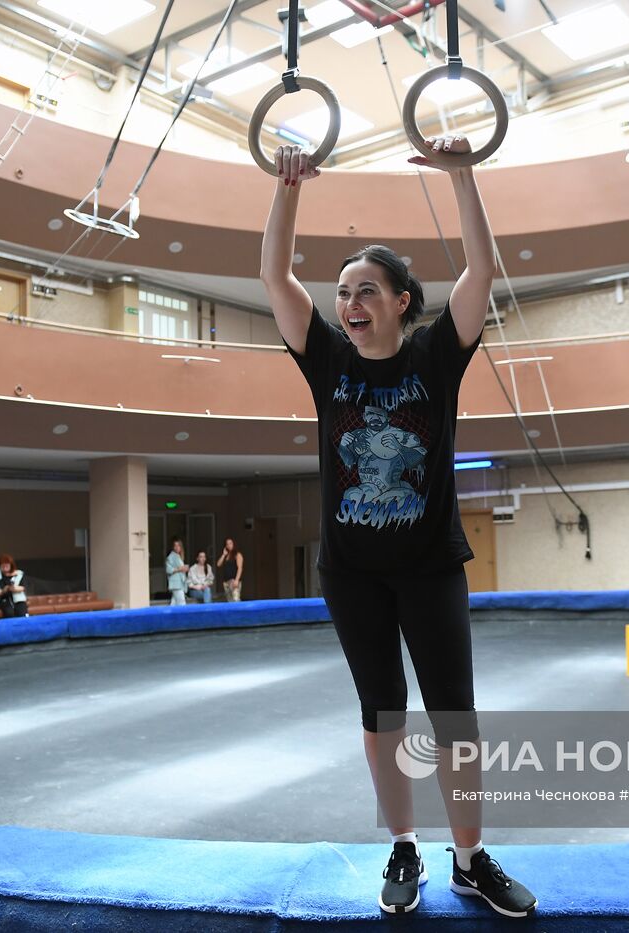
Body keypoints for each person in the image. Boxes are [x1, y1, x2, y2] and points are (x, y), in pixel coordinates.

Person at [259, 136, 536, 918]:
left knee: (455, 714)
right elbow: (274, 276)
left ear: (403, 301)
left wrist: (462, 176)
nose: (350, 302)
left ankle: (471, 858)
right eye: (344, 290)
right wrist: (289, 189)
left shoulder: (435, 357)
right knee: (381, 711)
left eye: (368, 289)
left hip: (430, 566)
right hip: (351, 573)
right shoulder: (327, 362)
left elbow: (480, 271)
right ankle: (405, 847)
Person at [0, 553, 28, 618]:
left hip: (18, 599)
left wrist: (14, 588)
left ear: (11, 565)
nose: (5, 568)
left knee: (22, 613)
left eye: (7, 566)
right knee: (9, 613)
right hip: (3, 600)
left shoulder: (19, 574)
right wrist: (3, 591)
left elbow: (22, 587)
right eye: (2, 566)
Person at [164, 537, 187, 606]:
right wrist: (179, 569)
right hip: (176, 583)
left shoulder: (179, 556)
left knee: (174, 603)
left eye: (178, 545)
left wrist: (184, 569)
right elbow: (168, 570)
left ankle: (169, 616)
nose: (177, 547)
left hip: (180, 582)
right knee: (181, 602)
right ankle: (183, 616)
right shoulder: (171, 556)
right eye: (175, 546)